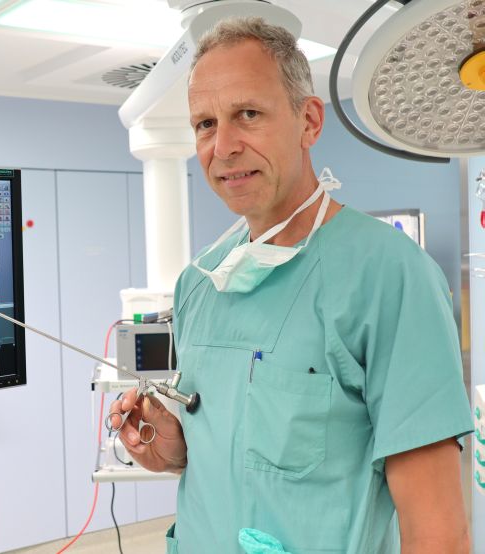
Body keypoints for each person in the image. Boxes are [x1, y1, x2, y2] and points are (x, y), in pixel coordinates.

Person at [110, 17, 474, 554]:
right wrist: (177, 451)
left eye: (248, 114)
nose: (223, 146)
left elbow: (438, 532)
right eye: (205, 124)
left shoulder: (387, 276)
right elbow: (244, 446)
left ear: (308, 121)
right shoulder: (198, 284)